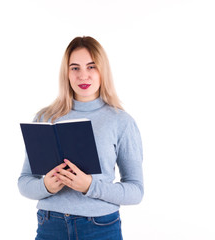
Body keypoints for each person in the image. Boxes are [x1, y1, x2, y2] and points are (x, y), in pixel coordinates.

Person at [18, 36, 144, 240]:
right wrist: (46, 186)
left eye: (91, 66)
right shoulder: (45, 117)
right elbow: (24, 181)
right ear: (66, 73)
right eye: (75, 68)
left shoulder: (121, 121)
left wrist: (89, 186)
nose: (83, 75)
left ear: (102, 70)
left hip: (99, 227)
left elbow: (135, 190)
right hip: (50, 225)